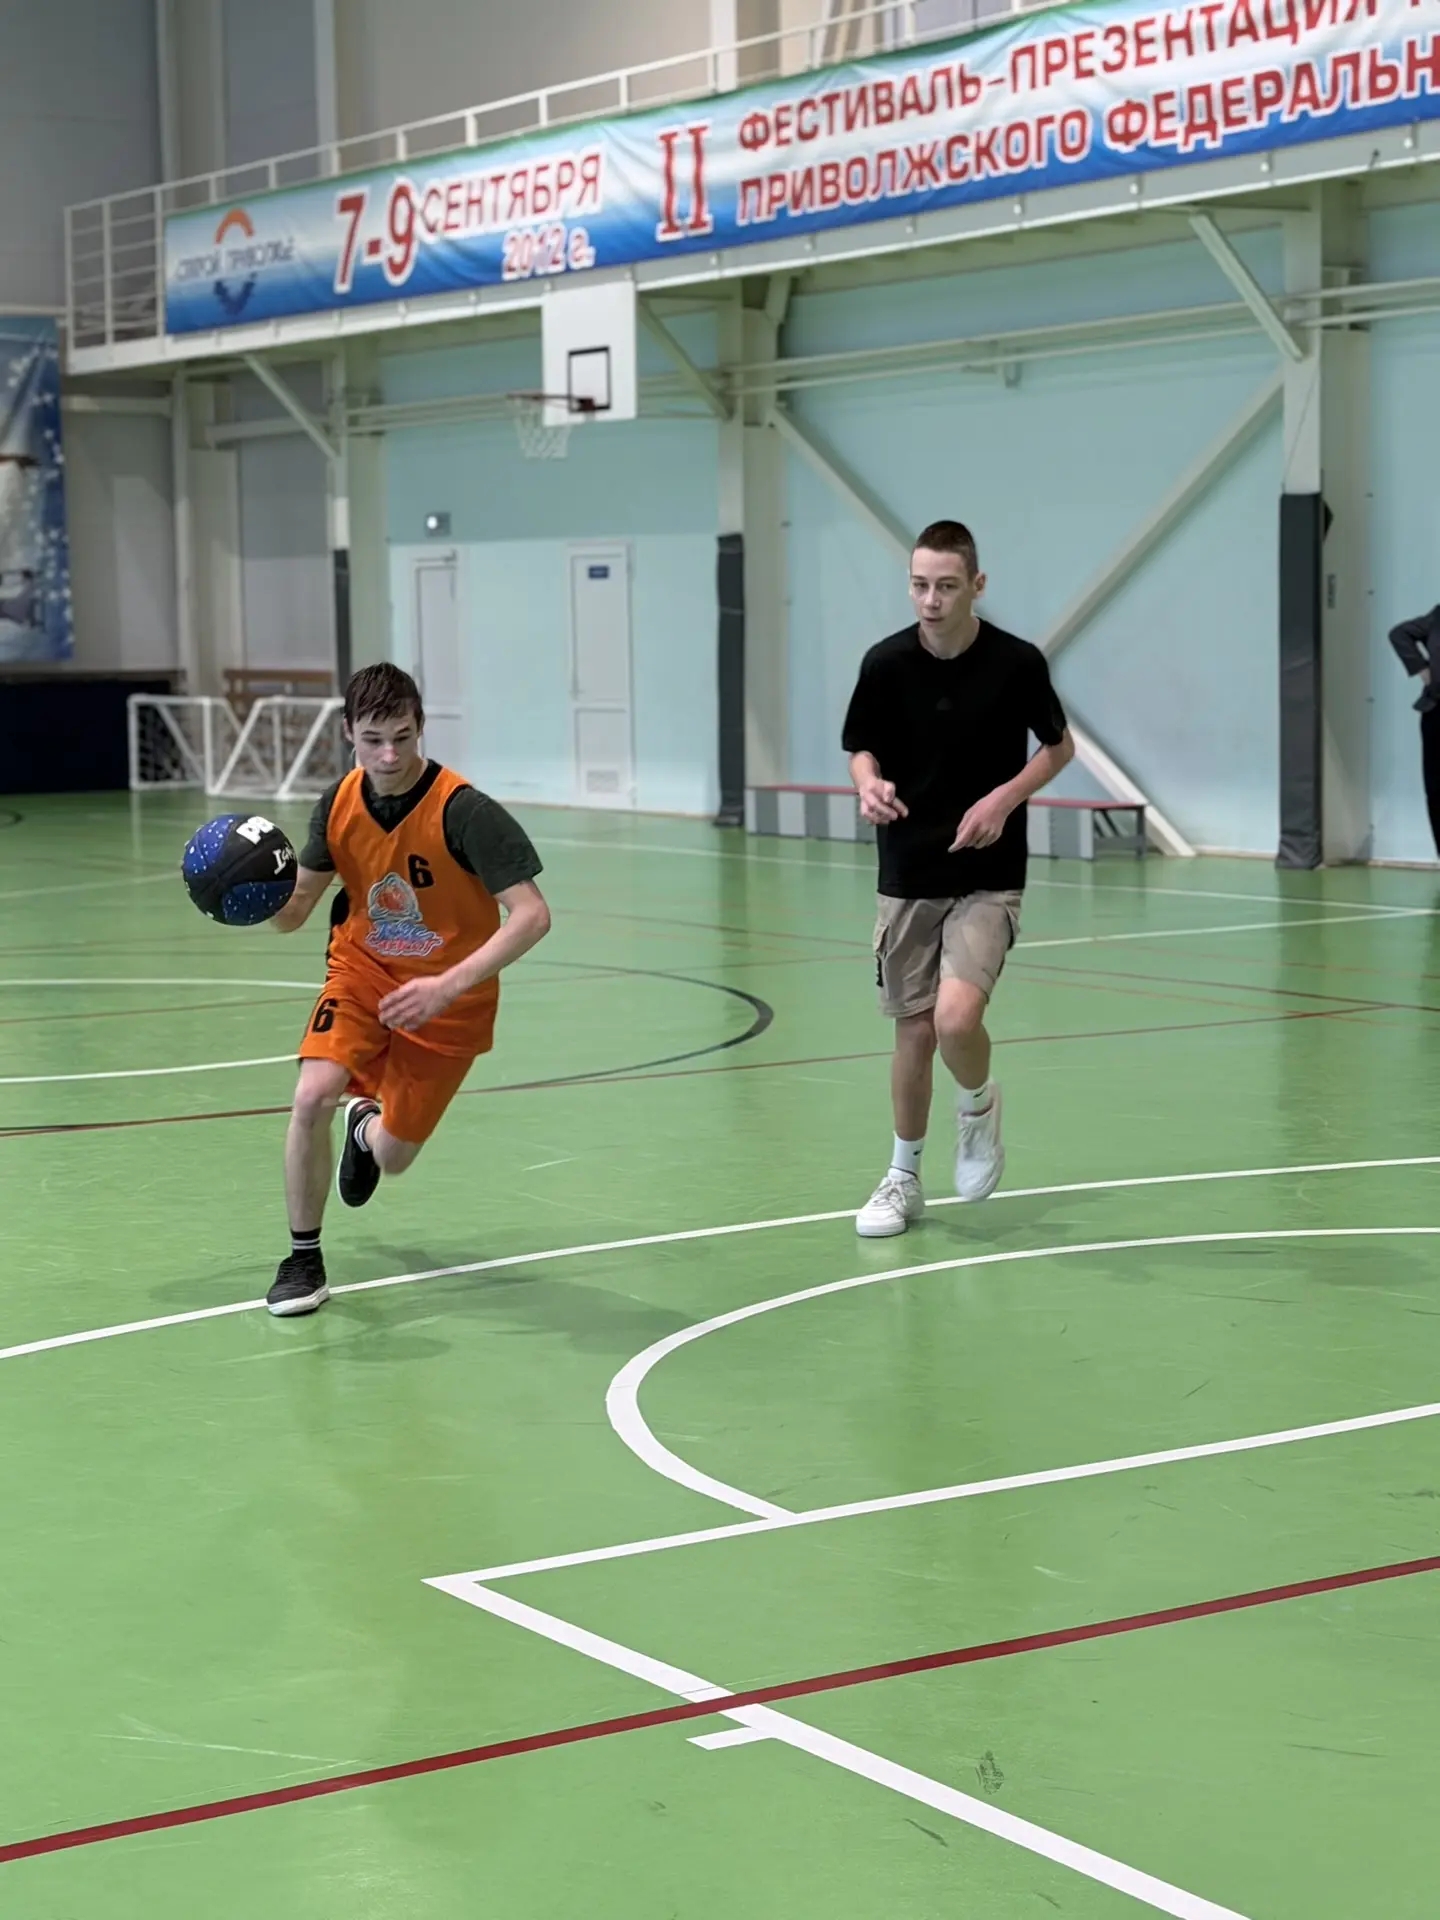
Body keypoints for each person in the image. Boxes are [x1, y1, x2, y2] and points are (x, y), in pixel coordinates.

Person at [265, 663, 552, 1315]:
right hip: (362, 971)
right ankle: (303, 1260)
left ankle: (365, 1128)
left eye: (402, 737)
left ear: (420, 726)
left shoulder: (465, 812)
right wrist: (249, 896)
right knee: (311, 1095)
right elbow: (296, 910)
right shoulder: (338, 803)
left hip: (450, 999)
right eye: (373, 740)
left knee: (393, 1156)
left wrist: (447, 986)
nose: (389, 755)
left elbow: (532, 915)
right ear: (348, 732)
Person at [842, 520, 1075, 1238]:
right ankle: (902, 1178)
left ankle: (977, 1107)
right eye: (919, 585)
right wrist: (867, 785)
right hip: (906, 869)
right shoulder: (885, 664)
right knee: (913, 1034)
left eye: (946, 586)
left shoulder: (1016, 663)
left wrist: (1004, 799)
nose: (931, 600)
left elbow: (1058, 748)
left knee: (954, 1021)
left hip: (987, 873)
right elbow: (861, 748)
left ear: (977, 585)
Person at [1388, 604, 1440, 858]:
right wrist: (1422, 669)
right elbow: (1400, 633)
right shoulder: (1437, 616)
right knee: (1436, 789)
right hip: (1437, 711)